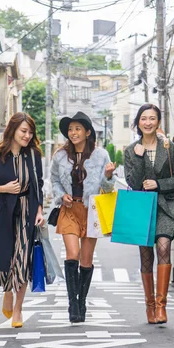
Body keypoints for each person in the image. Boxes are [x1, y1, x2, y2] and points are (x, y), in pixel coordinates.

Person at [0, 112, 45, 328]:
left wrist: (40, 210)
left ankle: (18, 309)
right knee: (6, 257)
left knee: (24, 258)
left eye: (30, 132)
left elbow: (38, 183)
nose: (27, 136)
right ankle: (7, 291)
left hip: (27, 209)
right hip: (1, 211)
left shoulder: (33, 155)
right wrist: (3, 189)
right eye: (24, 131)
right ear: (13, 130)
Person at [123, 104, 174, 324]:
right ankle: (149, 306)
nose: (148, 122)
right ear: (138, 123)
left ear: (158, 122)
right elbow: (132, 182)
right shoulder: (131, 150)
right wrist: (140, 158)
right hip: (142, 208)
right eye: (143, 119)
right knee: (146, 257)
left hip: (166, 206)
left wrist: (158, 184)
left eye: (152, 118)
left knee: (164, 247)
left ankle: (161, 306)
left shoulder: (168, 147)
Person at [51, 111, 116, 323]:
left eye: (78, 128)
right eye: (70, 129)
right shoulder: (60, 156)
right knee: (73, 254)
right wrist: (61, 195)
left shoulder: (101, 155)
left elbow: (108, 186)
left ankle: (82, 301)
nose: (73, 133)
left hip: (92, 211)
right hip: (70, 209)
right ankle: (73, 303)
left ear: (87, 132)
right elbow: (54, 181)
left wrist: (107, 176)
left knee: (86, 260)